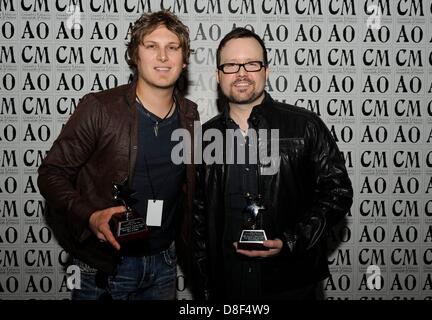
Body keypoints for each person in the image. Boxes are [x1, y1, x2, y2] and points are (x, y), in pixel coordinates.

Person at [38, 11, 199, 300]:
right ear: (135, 56)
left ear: (184, 60)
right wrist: (90, 216)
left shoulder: (190, 115)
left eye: (172, 47)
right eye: (151, 46)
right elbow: (51, 173)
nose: (163, 56)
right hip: (106, 266)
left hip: (164, 263)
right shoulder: (99, 108)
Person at [192, 28, 353, 300]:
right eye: (231, 65)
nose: (241, 73)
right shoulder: (202, 139)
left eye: (251, 64)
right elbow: (196, 217)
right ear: (218, 75)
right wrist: (205, 283)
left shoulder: (305, 127)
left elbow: (337, 193)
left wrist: (291, 242)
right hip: (226, 287)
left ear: (266, 70)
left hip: (291, 285)